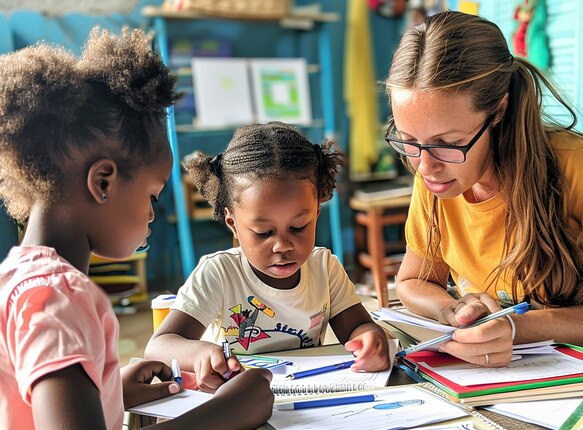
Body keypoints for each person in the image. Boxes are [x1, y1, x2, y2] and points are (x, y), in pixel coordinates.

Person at [0, 28, 273, 429]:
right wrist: (228, 413)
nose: (151, 215)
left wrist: (109, 390)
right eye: (153, 196)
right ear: (103, 182)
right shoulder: (57, 298)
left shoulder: (17, 277)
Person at [386, 11, 583, 367]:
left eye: (447, 143)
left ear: (498, 110)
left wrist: (516, 328)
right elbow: (411, 281)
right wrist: (452, 310)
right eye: (409, 141)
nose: (425, 166)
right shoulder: (436, 172)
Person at [144, 122, 390, 392]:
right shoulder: (219, 273)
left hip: (306, 400)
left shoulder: (324, 268)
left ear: (317, 213)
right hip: (239, 399)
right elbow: (159, 346)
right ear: (232, 223)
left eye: (298, 227)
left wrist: (371, 339)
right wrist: (202, 354)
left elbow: (360, 326)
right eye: (263, 232)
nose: (282, 245)